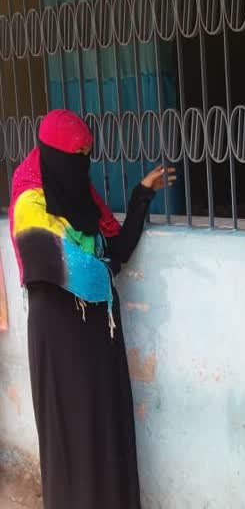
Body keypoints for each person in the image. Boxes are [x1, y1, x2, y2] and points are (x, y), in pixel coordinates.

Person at [9, 109, 175, 508]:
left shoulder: (84, 199)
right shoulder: (30, 200)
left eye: (87, 154)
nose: (82, 163)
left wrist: (141, 195)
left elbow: (115, 253)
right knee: (74, 434)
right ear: (52, 153)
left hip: (99, 337)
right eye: (75, 154)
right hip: (60, 337)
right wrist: (101, 266)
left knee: (105, 428)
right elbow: (62, 267)